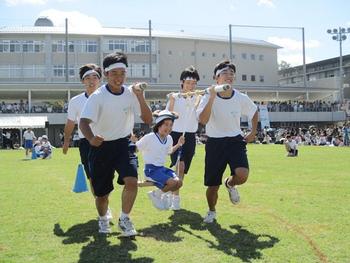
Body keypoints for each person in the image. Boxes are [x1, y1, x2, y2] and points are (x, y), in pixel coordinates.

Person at [79, 52, 152, 236]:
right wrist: (91, 139)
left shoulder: (130, 93)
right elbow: (83, 122)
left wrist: (140, 96)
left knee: (132, 181)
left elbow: (148, 119)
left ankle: (125, 219)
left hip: (123, 144)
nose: (119, 78)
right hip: (101, 147)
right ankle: (103, 219)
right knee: (102, 194)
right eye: (114, 74)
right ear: (106, 74)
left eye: (122, 73)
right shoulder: (98, 96)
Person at [196, 60, 258, 223]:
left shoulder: (240, 97)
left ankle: (230, 184)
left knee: (242, 175)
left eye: (232, 74)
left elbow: (254, 111)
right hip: (215, 143)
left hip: (235, 140)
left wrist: (253, 131)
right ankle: (211, 211)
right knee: (212, 186)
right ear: (217, 79)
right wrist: (211, 97)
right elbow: (202, 120)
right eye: (225, 73)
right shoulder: (208, 96)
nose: (229, 76)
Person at [166, 66, 201, 210]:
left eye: (193, 83)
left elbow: (200, 112)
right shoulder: (175, 97)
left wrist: (199, 97)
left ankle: (173, 190)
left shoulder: (198, 97)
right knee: (179, 166)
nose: (191, 86)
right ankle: (175, 197)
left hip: (190, 136)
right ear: (182, 82)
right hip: (175, 135)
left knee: (182, 169)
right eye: (188, 83)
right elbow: (169, 113)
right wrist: (173, 99)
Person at [135, 110, 185, 210]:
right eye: (166, 124)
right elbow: (135, 149)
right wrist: (133, 142)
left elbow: (169, 151)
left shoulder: (169, 138)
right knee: (171, 183)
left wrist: (179, 144)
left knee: (179, 183)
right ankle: (157, 195)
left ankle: (156, 194)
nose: (169, 128)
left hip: (161, 169)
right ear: (159, 125)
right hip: (151, 171)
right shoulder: (150, 137)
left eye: (171, 125)